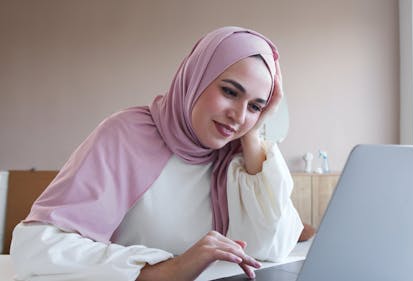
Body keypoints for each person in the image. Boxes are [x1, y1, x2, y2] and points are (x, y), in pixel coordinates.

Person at [9, 26, 303, 281]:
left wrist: (254, 132)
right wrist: (165, 271)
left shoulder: (238, 156)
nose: (238, 116)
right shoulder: (126, 134)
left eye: (255, 106)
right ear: (196, 78)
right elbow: (36, 247)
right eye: (229, 92)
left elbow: (272, 247)